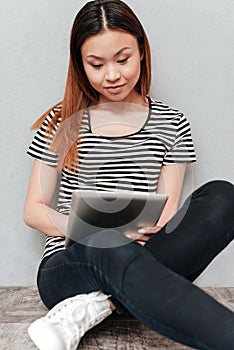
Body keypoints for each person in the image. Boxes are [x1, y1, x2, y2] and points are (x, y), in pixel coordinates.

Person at [23, 1, 234, 349]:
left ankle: (97, 307)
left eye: (123, 59)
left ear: (141, 51)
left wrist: (132, 235)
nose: (112, 75)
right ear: (80, 65)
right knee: (107, 244)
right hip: (69, 263)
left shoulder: (172, 123)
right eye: (96, 64)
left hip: (143, 256)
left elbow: (167, 215)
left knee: (224, 196)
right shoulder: (61, 122)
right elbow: (34, 210)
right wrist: (99, 230)